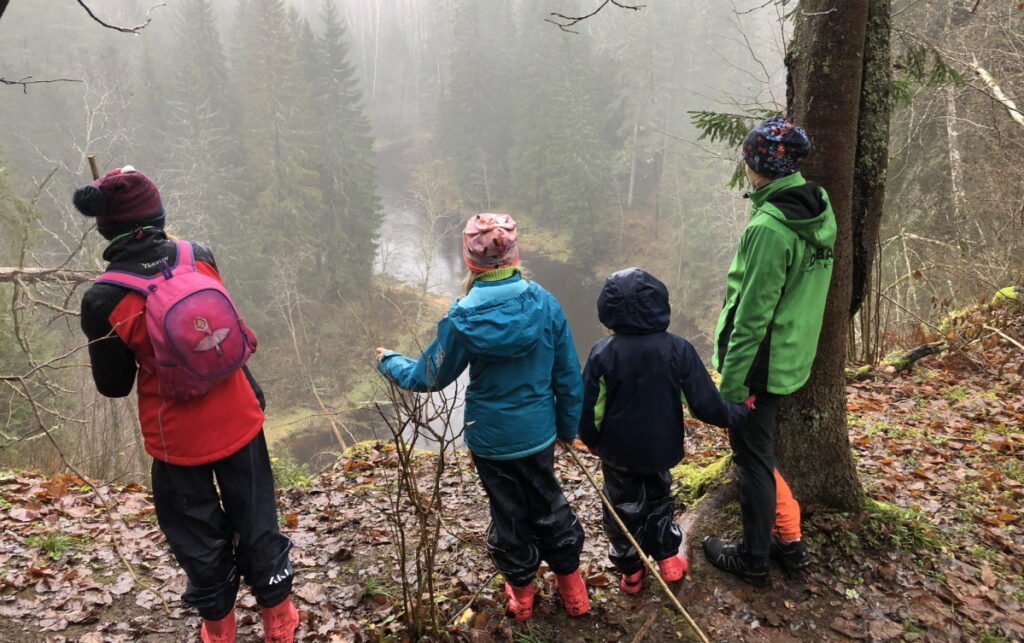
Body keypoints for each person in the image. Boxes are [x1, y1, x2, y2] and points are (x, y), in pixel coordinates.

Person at [74, 167, 299, 643]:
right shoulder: (197, 256)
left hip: (177, 437)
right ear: (158, 215)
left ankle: (219, 625)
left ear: (104, 227)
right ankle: (279, 615)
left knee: (196, 532)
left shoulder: (104, 297)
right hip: (241, 413)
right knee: (257, 515)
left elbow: (113, 386)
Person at [374, 213, 588, 620]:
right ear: (513, 255)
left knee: (508, 513)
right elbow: (567, 376)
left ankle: (521, 597)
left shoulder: (462, 318)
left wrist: (389, 362)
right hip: (538, 433)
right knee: (549, 503)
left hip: (491, 440)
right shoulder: (544, 303)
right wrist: (566, 428)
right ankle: (573, 590)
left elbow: (428, 376)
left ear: (471, 262)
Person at [702, 116, 835, 586]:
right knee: (761, 452)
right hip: (793, 353)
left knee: (751, 459)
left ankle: (754, 557)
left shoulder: (769, 229)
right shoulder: (817, 205)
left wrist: (733, 385)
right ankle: (789, 541)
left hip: (761, 362)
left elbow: (751, 315)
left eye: (747, 158)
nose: (744, 165)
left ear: (757, 163)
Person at [577, 267, 749, 594]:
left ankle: (631, 573)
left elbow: (589, 407)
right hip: (661, 449)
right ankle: (668, 561)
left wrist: (591, 440)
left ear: (608, 309)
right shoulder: (678, 349)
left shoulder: (602, 352)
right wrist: (739, 412)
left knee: (621, 509)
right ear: (659, 302)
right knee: (658, 501)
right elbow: (704, 403)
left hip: (618, 453)